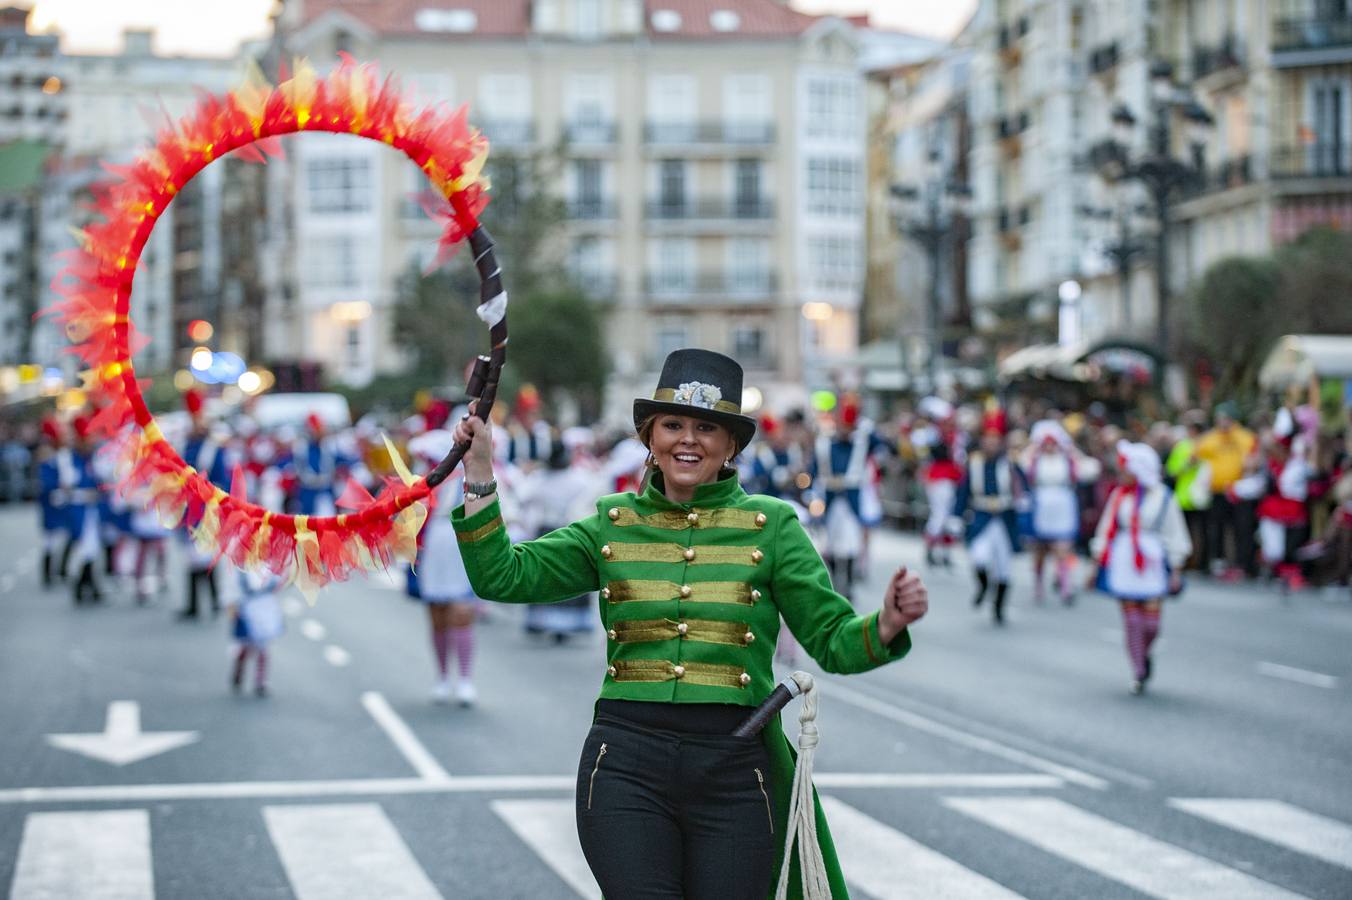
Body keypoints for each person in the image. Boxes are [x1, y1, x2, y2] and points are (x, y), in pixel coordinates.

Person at [449, 348, 928, 900]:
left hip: (734, 770)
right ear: (650, 438)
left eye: (707, 427)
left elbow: (835, 642)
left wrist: (888, 622)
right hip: (625, 765)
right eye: (672, 424)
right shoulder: (612, 523)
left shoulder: (772, 527)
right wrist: (480, 471)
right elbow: (504, 578)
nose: (688, 439)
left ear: (732, 445)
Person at [1090, 441, 1191, 695]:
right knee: (1132, 619)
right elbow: (1105, 530)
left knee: (1152, 624)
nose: (1121, 474)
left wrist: (1176, 567)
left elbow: (1175, 533)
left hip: (1152, 561)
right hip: (1125, 558)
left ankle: (1144, 653)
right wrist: (1096, 563)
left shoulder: (1163, 496)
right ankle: (1138, 670)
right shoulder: (1119, 496)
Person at [408, 426, 482, 705]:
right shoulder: (427, 480)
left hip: (459, 542)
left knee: (461, 612)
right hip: (433, 545)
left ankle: (464, 679)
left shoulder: (471, 475)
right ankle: (442, 677)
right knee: (437, 612)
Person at [954, 414, 1027, 625]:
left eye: (995, 439)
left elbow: (1023, 486)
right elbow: (963, 491)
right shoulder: (974, 462)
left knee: (1004, 567)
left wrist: (1024, 500)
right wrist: (956, 516)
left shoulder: (1011, 463)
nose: (991, 443)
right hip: (982, 516)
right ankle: (984, 585)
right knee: (979, 557)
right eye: (988, 439)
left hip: (1005, 519)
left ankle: (999, 607)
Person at [1023, 420, 1093, 605]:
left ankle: (1065, 586)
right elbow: (1020, 468)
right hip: (1040, 505)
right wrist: (1032, 447)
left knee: (1063, 548)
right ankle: (1038, 585)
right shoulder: (1034, 459)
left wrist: (1071, 449)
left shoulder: (1067, 459)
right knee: (1039, 549)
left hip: (1062, 505)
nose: (1049, 446)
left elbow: (1090, 470)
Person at [1197, 404, 1256, 580]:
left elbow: (1252, 459)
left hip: (1238, 490)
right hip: (1217, 490)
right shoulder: (1211, 437)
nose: (1222, 422)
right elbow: (1198, 456)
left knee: (1242, 528)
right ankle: (1217, 561)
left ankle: (1243, 564)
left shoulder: (1244, 437)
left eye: (1226, 418)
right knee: (1216, 528)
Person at [226, 564, 285, 697]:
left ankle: (261, 681)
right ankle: (239, 671)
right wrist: (231, 606)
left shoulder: (271, 562)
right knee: (246, 645)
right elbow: (231, 587)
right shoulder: (241, 565)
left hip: (266, 608)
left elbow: (280, 582)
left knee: (263, 646)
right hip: (248, 607)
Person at [1165, 411, 1212, 571]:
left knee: (1204, 532)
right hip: (1184, 497)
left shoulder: (1208, 445)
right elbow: (1172, 470)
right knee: (1183, 531)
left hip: (1204, 497)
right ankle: (1184, 562)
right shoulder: (1182, 447)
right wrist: (1188, 464)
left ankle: (1201, 562)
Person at [36, 418, 72, 587]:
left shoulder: (59, 455)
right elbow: (46, 483)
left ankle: (59, 571)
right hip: (50, 504)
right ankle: (49, 574)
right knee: (50, 540)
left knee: (63, 537)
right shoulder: (47, 455)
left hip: (57, 503)